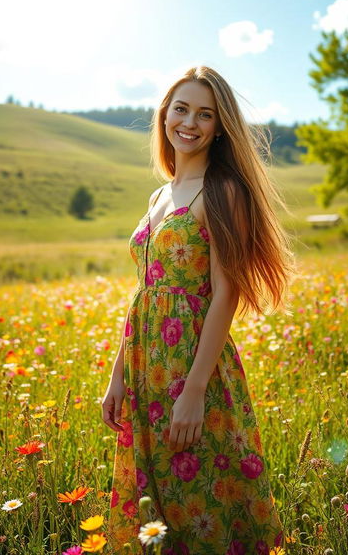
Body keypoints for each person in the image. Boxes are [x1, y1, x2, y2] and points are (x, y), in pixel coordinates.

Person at [102, 65, 295, 554]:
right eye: (181, 108)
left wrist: (195, 389)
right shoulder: (158, 195)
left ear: (219, 126)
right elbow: (145, 293)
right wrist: (118, 374)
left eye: (205, 114)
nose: (189, 122)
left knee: (203, 500)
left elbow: (225, 293)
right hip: (147, 367)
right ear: (164, 114)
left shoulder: (223, 191)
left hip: (193, 366)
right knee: (158, 502)